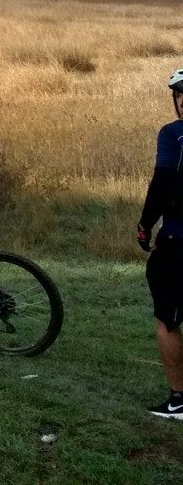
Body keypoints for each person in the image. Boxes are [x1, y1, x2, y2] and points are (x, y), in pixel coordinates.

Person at [139, 68, 183, 418]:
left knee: (167, 320)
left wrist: (144, 224)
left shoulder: (173, 135)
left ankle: (180, 400)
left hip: (178, 241)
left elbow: (162, 184)